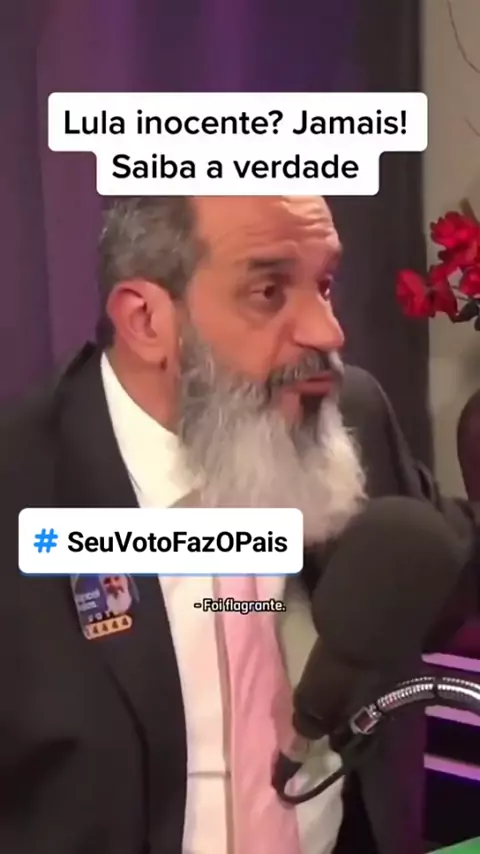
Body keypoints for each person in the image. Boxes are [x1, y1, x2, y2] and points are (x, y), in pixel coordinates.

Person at [0, 196, 474, 854]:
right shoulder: (22, 486)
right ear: (146, 321)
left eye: (324, 285)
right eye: (268, 291)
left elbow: (435, 568)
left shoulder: (347, 413)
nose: (328, 332)